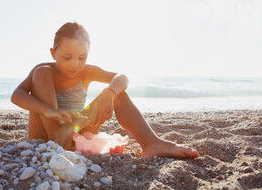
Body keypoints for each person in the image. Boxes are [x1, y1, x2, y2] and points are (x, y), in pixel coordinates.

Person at [11, 22, 199, 158]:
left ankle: (151, 143)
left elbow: (123, 77)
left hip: (75, 131)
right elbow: (16, 95)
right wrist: (51, 111)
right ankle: (59, 137)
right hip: (46, 137)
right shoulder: (45, 69)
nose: (75, 64)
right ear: (53, 53)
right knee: (41, 72)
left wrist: (109, 93)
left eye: (81, 58)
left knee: (118, 93)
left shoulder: (87, 72)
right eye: (67, 57)